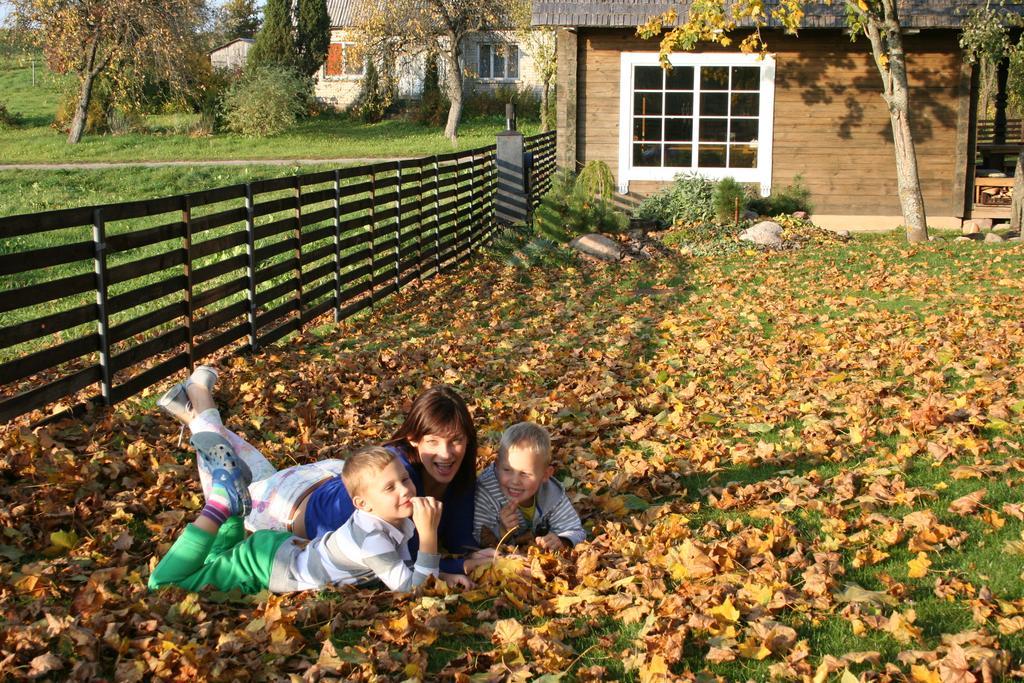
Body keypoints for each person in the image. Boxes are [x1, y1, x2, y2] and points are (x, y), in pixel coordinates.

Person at [158, 371, 491, 580]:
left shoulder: (442, 475)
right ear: (414, 440)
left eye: (456, 440)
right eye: (433, 441)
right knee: (228, 480)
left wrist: (477, 554)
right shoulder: (398, 485)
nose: (447, 454)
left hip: (327, 475)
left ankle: (194, 403)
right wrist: (454, 568)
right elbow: (401, 564)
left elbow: (455, 536)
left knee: (248, 471)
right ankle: (198, 400)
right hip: (285, 508)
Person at [148, 445, 445, 594]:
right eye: (390, 487)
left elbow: (407, 569)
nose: (406, 489)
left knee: (214, 563)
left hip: (279, 551)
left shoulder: (393, 516)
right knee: (162, 586)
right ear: (362, 504)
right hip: (266, 567)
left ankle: (235, 513)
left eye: (405, 479)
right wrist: (428, 536)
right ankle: (220, 504)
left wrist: (447, 571)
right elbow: (411, 590)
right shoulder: (373, 539)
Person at [473, 421, 586, 550]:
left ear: (545, 475)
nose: (515, 481)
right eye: (507, 470)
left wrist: (562, 541)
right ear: (497, 464)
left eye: (525, 474)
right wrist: (503, 529)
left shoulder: (551, 494)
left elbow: (575, 530)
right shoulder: (487, 492)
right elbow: (477, 539)